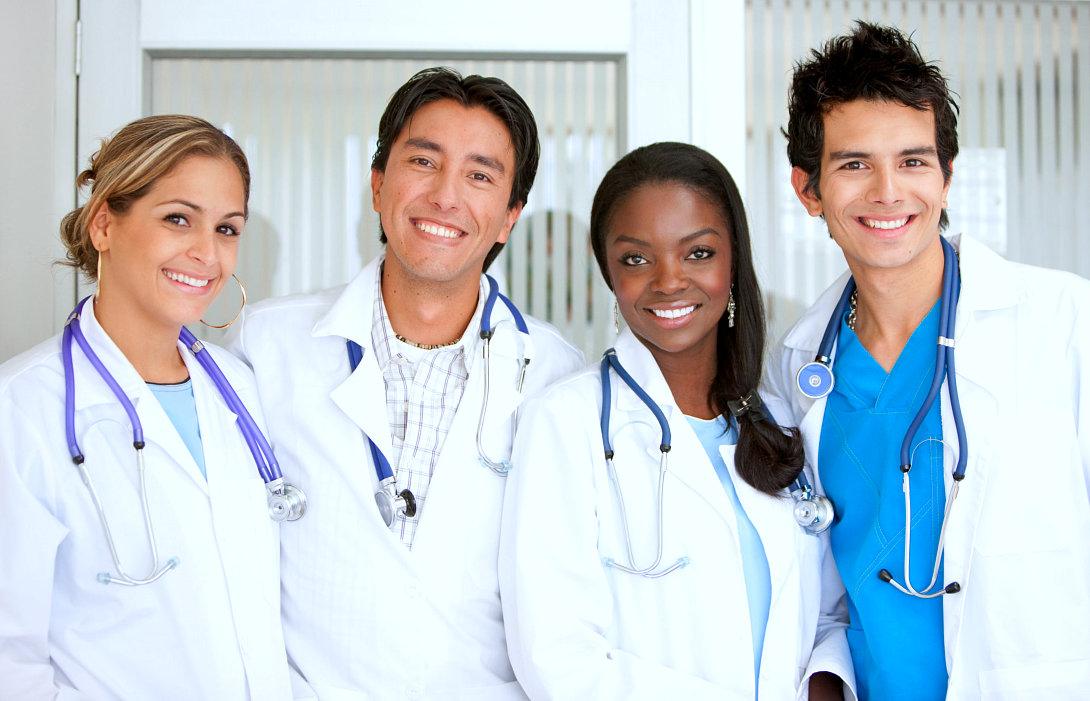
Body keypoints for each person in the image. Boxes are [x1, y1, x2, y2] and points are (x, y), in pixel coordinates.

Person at [225, 67, 583, 699]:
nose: (446, 196)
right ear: (378, 184)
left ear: (508, 218)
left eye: (480, 176)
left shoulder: (556, 376)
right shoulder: (266, 346)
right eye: (424, 161)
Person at [763, 21, 1090, 700]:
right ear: (808, 188)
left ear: (946, 178)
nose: (888, 191)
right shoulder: (798, 366)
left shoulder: (1064, 322)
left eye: (912, 161)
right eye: (854, 164)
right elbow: (817, 574)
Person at [499, 142, 854, 700]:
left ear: (733, 260)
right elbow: (557, 656)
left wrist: (826, 681)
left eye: (698, 253)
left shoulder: (781, 422)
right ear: (609, 275)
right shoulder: (565, 423)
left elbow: (829, 614)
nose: (668, 281)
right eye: (636, 259)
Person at [0, 115, 294, 699]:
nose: (206, 253)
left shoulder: (241, 389)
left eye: (228, 229)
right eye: (177, 219)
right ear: (104, 222)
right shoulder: (24, 410)